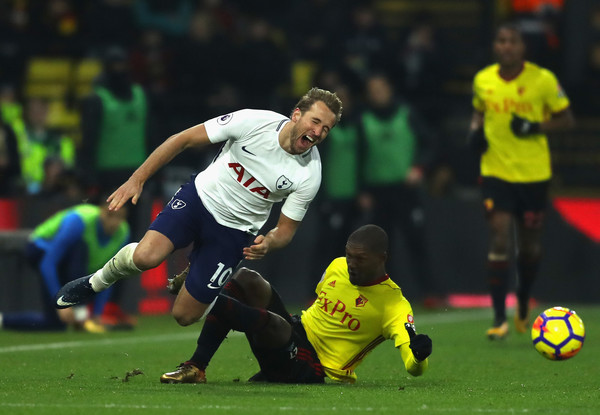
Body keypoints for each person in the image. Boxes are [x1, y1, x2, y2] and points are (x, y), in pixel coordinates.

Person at [54, 87, 342, 363]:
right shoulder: (254, 122)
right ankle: (95, 282)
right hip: (199, 201)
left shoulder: (309, 174)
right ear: (296, 115)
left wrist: (270, 241)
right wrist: (137, 179)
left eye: (326, 129)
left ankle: (199, 279)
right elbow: (182, 139)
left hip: (236, 232)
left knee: (184, 316)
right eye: (315, 121)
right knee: (146, 257)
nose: (317, 132)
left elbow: (286, 231)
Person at [161, 224, 432, 384]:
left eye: (360, 259)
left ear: (381, 258)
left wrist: (419, 356)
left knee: (276, 325)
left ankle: (199, 294)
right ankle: (197, 366)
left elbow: (413, 366)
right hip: (294, 333)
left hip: (315, 368)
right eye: (349, 255)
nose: (351, 263)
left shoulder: (394, 305)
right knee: (247, 279)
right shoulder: (337, 267)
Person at [467, 22, 574, 340]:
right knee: (500, 237)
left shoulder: (543, 80)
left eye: (512, 41)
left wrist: (534, 127)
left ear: (522, 47)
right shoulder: (482, 80)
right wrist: (474, 132)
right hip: (496, 172)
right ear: (495, 47)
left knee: (529, 248)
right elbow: (478, 112)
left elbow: (566, 119)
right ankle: (500, 317)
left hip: (533, 175)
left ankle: (524, 298)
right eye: (500, 41)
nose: (506, 47)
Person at [357, 72, 442, 307]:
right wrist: (362, 189)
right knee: (382, 247)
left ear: (389, 89)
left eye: (380, 88)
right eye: (372, 90)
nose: (377, 94)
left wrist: (419, 167)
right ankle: (387, 295)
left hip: (405, 190)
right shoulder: (363, 118)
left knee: (416, 241)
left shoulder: (407, 113)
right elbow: (358, 155)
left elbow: (430, 142)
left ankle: (430, 292)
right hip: (377, 192)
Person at [0, 199, 129, 332]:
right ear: (101, 212)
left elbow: (108, 274)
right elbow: (48, 263)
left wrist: (97, 314)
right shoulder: (79, 221)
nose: (113, 223)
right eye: (110, 215)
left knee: (55, 324)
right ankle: (80, 310)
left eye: (119, 217)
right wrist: (60, 302)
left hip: (68, 265)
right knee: (80, 247)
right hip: (39, 250)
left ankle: (2, 320)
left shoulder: (123, 232)